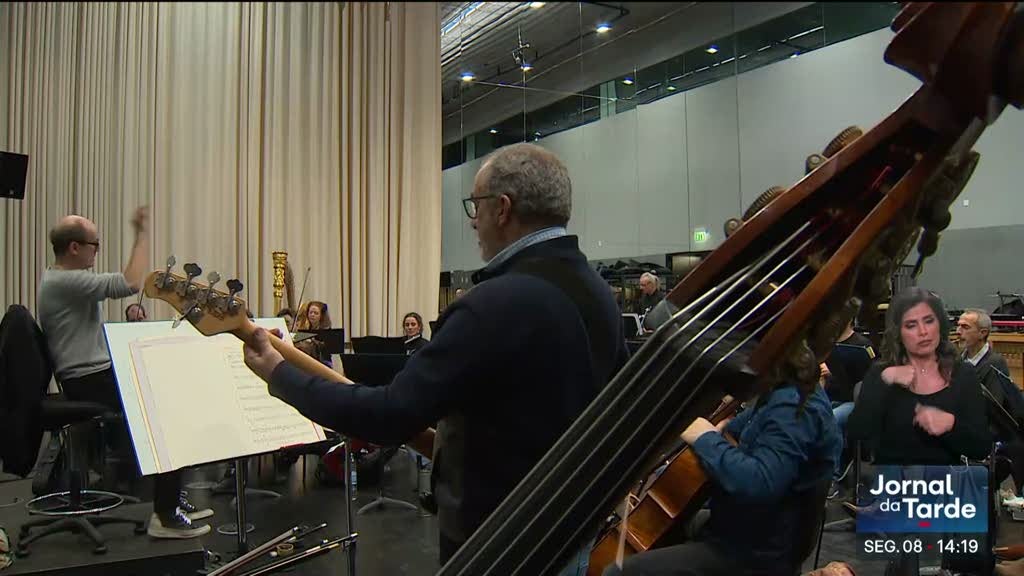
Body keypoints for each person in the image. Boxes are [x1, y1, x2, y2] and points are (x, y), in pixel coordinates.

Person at [243, 143, 629, 571]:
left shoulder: (493, 304)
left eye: (476, 205)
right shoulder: (600, 294)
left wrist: (280, 374)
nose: (473, 221)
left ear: (502, 209)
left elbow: (388, 416)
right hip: (572, 533)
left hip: (497, 542)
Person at [37, 208, 212, 539]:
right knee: (170, 413)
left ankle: (170, 500)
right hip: (87, 381)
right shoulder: (66, 280)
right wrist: (141, 233)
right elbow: (130, 283)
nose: (96, 251)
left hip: (88, 376)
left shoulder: (57, 279)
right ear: (74, 247)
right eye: (95, 244)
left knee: (168, 396)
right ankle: (165, 515)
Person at [603, 370, 841, 575]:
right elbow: (736, 429)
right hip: (740, 526)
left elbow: (759, 482)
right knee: (665, 528)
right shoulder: (781, 390)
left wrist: (705, 437)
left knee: (619, 572)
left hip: (753, 552)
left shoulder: (794, 405)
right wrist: (717, 429)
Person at [848, 288, 991, 466]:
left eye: (929, 321)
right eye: (911, 325)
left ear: (940, 325)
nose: (923, 331)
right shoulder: (881, 373)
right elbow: (857, 437)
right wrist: (883, 383)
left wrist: (951, 426)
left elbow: (981, 448)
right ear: (898, 332)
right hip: (892, 478)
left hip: (945, 479)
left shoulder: (963, 374)